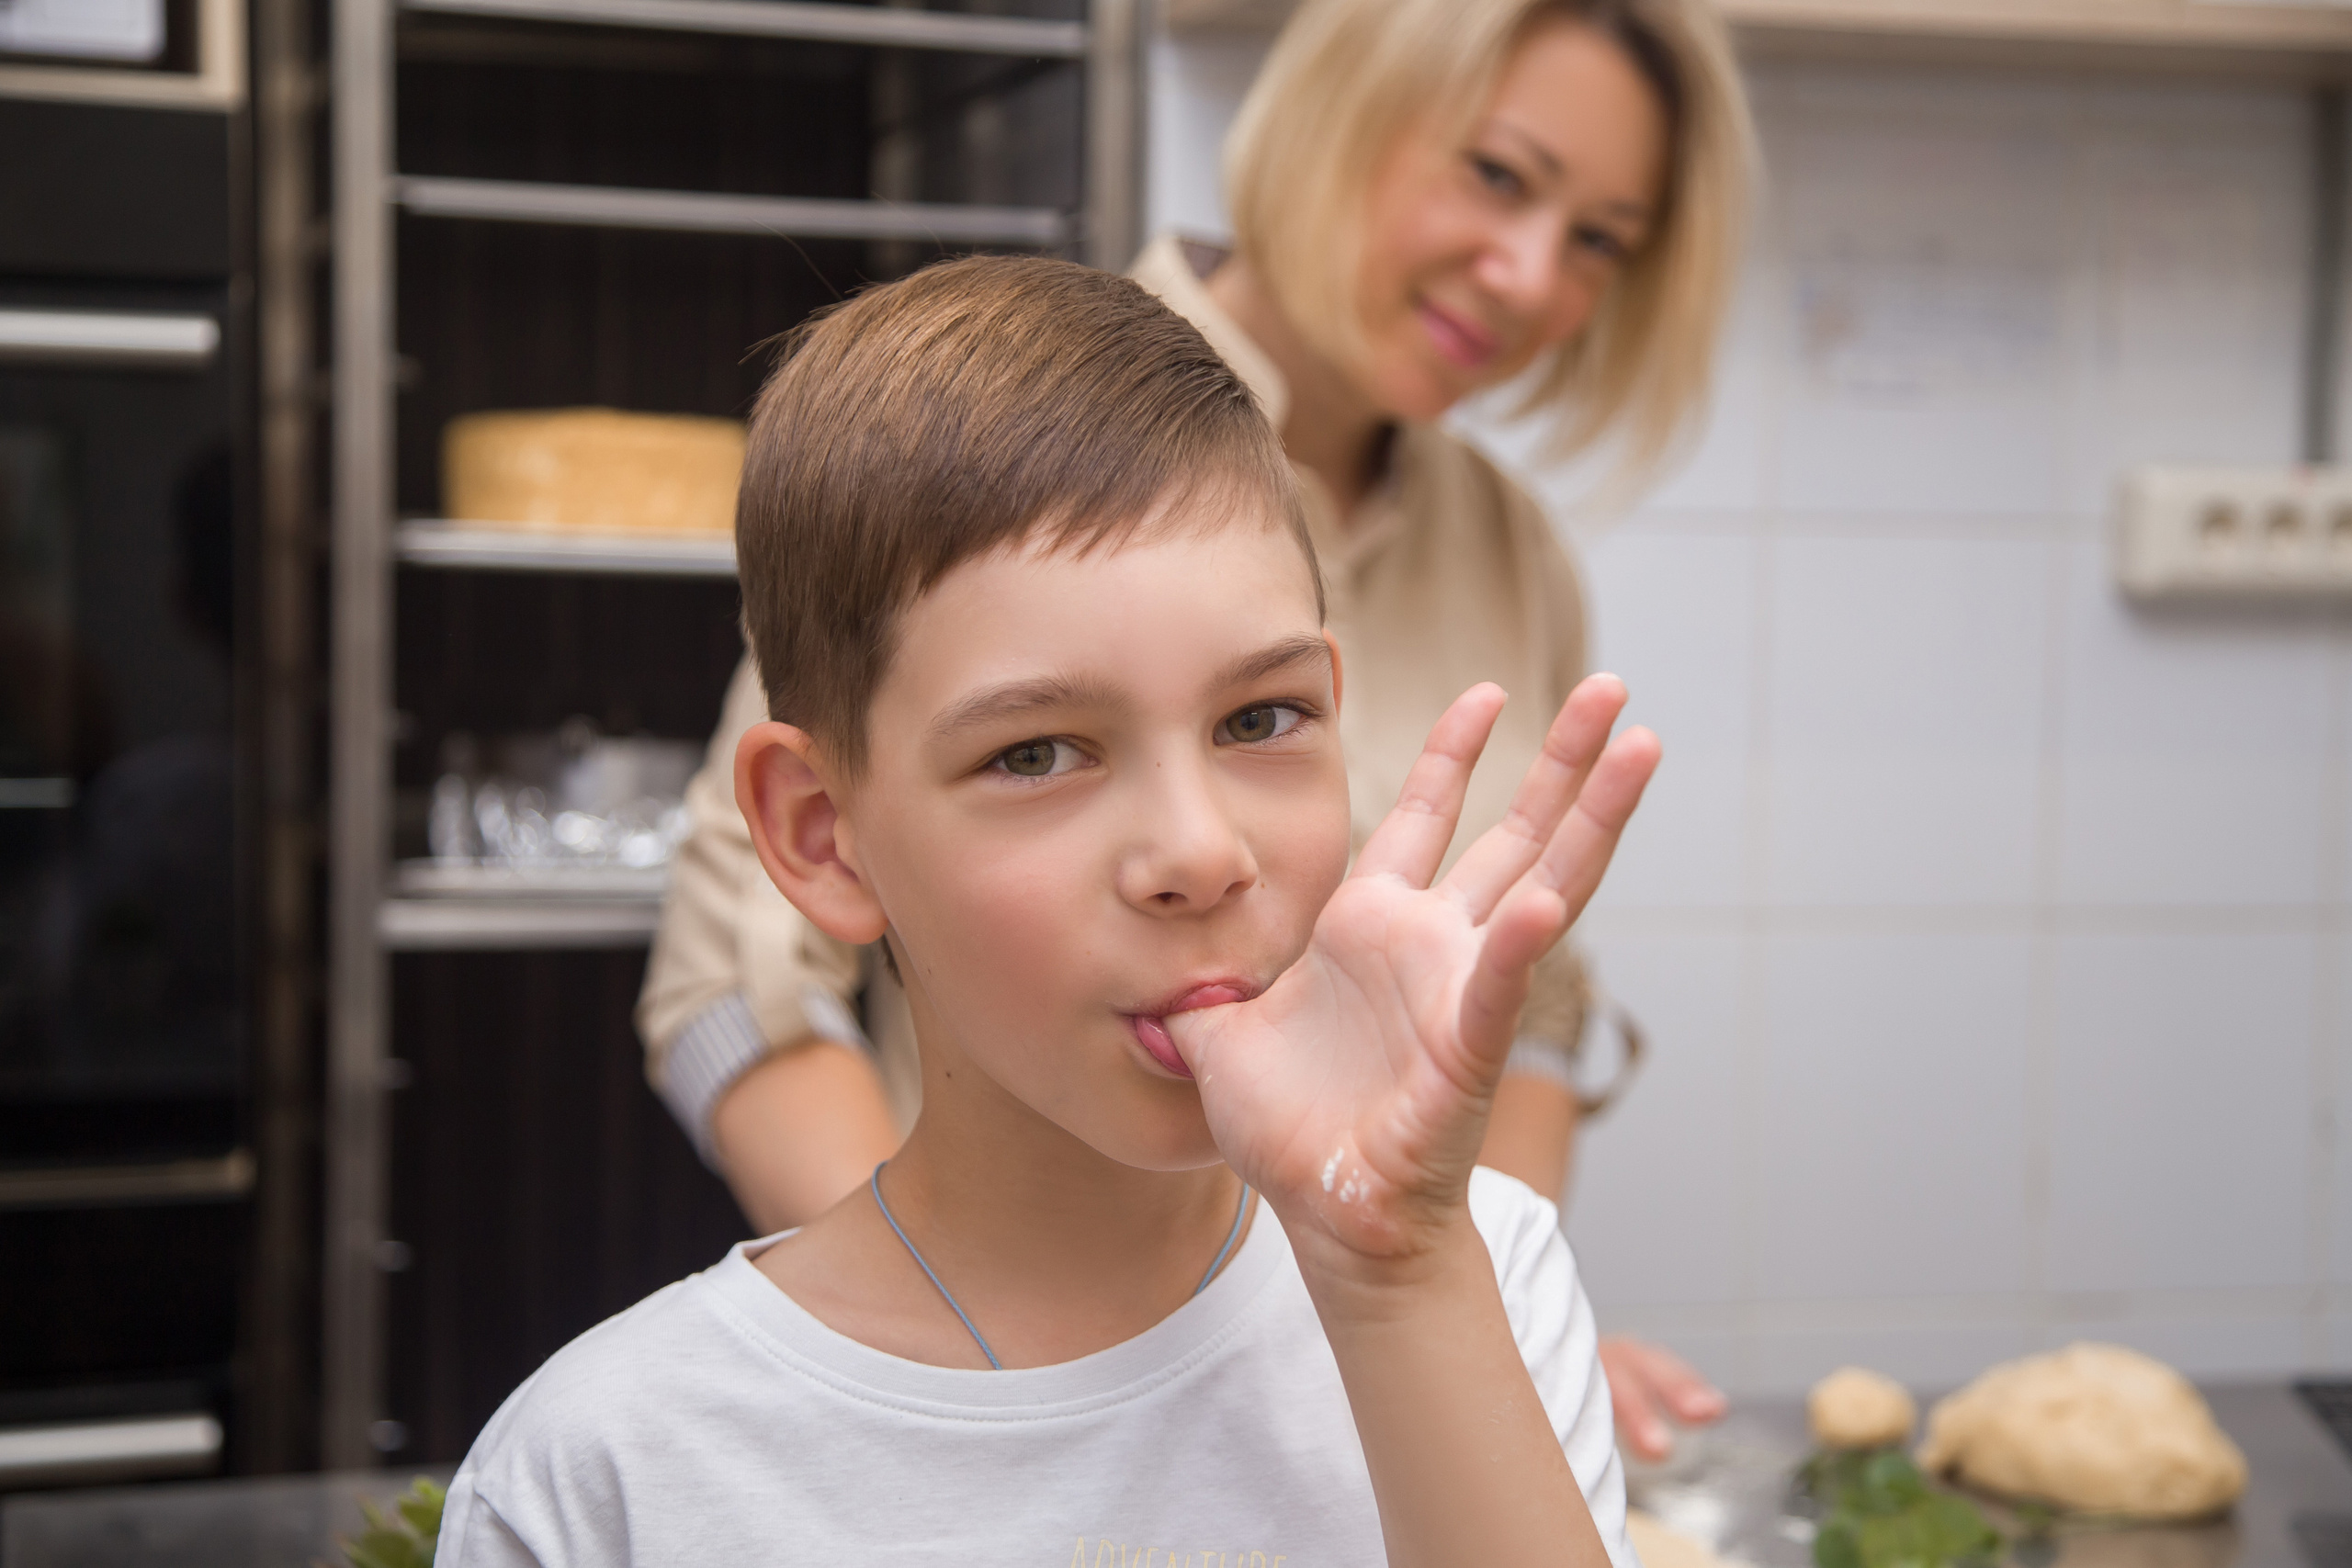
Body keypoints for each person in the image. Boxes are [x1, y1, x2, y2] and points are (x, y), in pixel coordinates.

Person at [638, 0, 1752, 1461]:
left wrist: (1498, 1313)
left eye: (1602, 238)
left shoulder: (1513, 553)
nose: (1534, 275)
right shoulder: (999, 435)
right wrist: (979, 1366)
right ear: (1341, 107)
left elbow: (1526, 992)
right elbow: (733, 985)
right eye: (1497, 176)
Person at [442, 254, 1659, 1568]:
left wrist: (1395, 1276)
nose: (1200, 853)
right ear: (820, 833)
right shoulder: (610, 1477)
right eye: (1037, 754)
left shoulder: (1478, 1286)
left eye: (1262, 718)